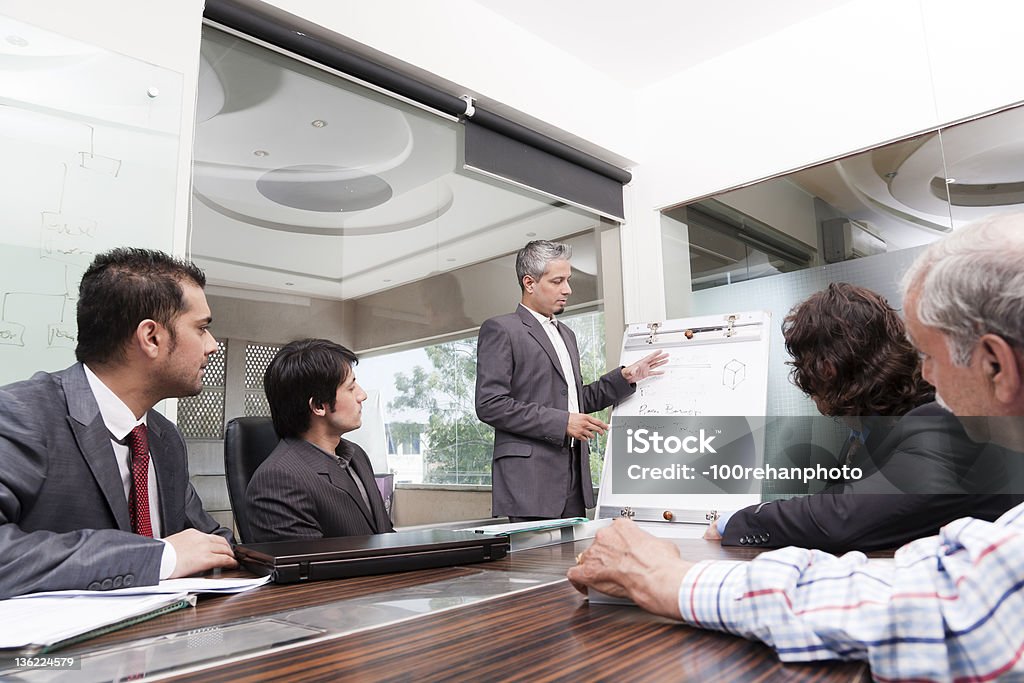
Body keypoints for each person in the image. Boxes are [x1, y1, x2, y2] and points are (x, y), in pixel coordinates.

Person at [567, 213, 1024, 681]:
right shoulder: (888, 432)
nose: (928, 374)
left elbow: (870, 545)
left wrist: (671, 574)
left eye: (931, 355)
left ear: (995, 365)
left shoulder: (943, 424)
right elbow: (920, 570)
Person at [709, 282, 1019, 552]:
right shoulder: (867, 434)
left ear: (826, 369)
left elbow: (844, 517)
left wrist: (736, 521)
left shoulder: (945, 420)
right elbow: (837, 502)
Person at [0, 248, 236, 599]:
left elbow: (208, 540)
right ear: (151, 337)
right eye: (202, 329)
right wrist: (159, 557)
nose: (212, 346)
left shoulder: (163, 437)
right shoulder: (21, 413)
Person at [475, 240, 668, 522]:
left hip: (573, 481)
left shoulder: (566, 334)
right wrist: (563, 422)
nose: (568, 289)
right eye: (558, 281)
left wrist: (624, 377)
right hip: (529, 485)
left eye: (568, 280)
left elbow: (577, 399)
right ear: (529, 283)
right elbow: (490, 405)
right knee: (536, 566)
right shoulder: (501, 329)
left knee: (570, 564)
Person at [246, 338, 394, 541]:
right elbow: (309, 568)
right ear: (318, 406)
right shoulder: (278, 481)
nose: (362, 395)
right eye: (351, 388)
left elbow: (384, 535)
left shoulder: (356, 455)